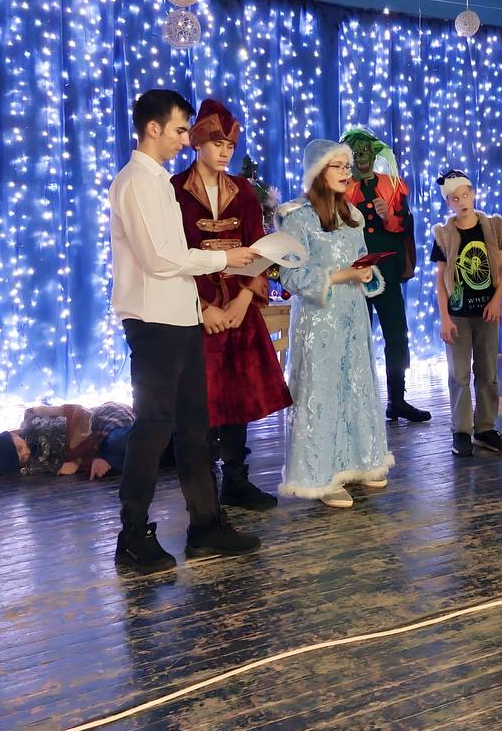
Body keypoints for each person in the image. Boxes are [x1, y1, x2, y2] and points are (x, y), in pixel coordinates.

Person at [108, 88, 261, 572]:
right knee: (153, 427)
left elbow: (171, 257)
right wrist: (224, 258)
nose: (183, 139)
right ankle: (132, 534)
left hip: (181, 317)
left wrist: (202, 301)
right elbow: (159, 259)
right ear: (152, 128)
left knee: (195, 427)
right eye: (178, 130)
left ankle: (206, 524)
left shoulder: (157, 181)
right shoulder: (136, 182)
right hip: (153, 320)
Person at [173, 98, 292, 512]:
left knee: (238, 396)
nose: (225, 152)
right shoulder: (174, 191)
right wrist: (203, 308)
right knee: (203, 399)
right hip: (197, 310)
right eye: (217, 143)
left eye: (230, 145)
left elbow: (260, 249)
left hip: (239, 307)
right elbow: (171, 256)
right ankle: (205, 492)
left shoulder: (242, 191)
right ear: (198, 142)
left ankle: (237, 481)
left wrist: (244, 299)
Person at [276, 139, 393, 509]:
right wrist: (341, 276)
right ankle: (321, 476)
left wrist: (366, 272)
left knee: (356, 386)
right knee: (322, 393)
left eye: (347, 166)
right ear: (318, 171)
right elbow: (291, 275)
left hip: (353, 318)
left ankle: (360, 461)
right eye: (338, 166)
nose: (346, 172)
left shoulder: (352, 215)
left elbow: (360, 259)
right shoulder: (297, 218)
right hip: (318, 322)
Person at [340, 126, 432, 423]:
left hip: (387, 275)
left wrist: (388, 216)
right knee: (357, 339)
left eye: (365, 151)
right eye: (355, 152)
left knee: (397, 336)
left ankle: (397, 400)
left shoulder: (392, 186)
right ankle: (358, 404)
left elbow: (405, 226)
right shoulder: (341, 189)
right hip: (355, 277)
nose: (361, 157)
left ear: (374, 153)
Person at [431, 170, 502, 459]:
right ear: (448, 202)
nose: (462, 201)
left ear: (473, 194)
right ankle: (462, 430)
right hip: (458, 315)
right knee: (459, 373)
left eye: (466, 195)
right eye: (455, 198)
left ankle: (486, 427)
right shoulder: (444, 235)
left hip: (486, 313)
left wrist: (497, 300)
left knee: (488, 371)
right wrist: (445, 317)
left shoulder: (493, 227)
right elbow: (440, 281)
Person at [0, 401, 133, 479]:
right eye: (22, 458)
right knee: (116, 464)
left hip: (102, 420)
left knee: (118, 443)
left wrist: (77, 456)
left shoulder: (34, 417)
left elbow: (78, 412)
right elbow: (64, 458)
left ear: (12, 434)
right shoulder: (38, 460)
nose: (26, 452)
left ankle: (142, 436)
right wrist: (90, 460)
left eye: (19, 448)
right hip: (99, 446)